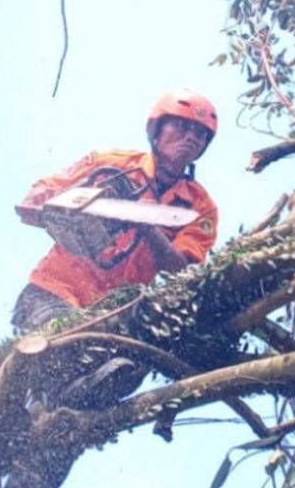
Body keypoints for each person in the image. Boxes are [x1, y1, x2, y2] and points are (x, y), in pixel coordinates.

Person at [11, 89, 220, 331]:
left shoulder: (200, 206)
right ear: (157, 130)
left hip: (112, 312)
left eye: (200, 134)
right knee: (65, 338)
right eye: (182, 127)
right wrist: (79, 201)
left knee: (117, 359)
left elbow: (182, 270)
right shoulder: (110, 163)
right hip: (53, 290)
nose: (191, 138)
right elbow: (32, 200)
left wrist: (145, 224)